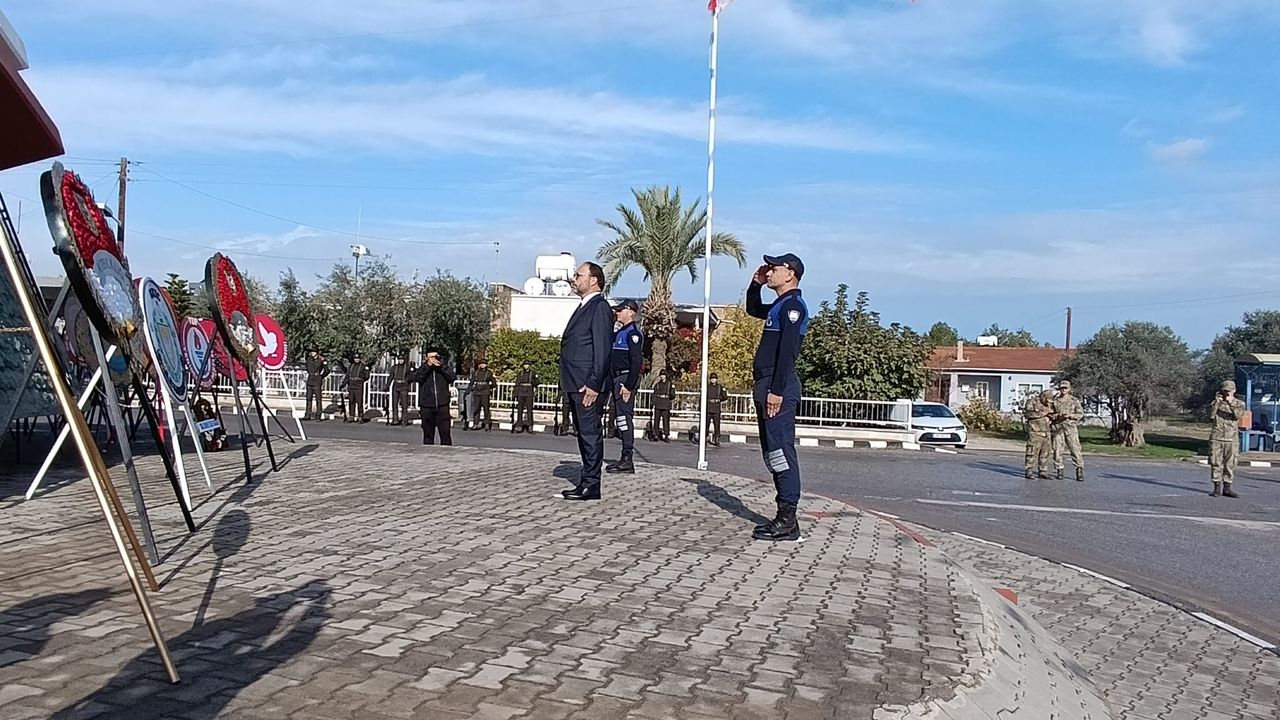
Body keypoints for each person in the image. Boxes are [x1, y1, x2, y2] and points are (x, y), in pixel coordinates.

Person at [746, 253, 810, 542]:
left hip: (777, 385)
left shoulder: (793, 306)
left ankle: (787, 519)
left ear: (790, 273)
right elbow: (752, 308)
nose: (769, 271)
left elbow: (787, 352)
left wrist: (777, 391)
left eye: (774, 268)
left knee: (781, 451)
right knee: (772, 452)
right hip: (767, 383)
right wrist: (755, 284)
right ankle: (784, 517)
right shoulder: (779, 305)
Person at [558, 262, 614, 501]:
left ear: (593, 280)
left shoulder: (599, 307)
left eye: (578, 275)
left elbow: (602, 350)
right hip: (575, 382)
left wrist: (593, 384)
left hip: (587, 386)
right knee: (582, 434)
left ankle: (591, 484)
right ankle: (586, 480)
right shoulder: (584, 306)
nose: (574, 279)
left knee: (590, 434)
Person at [606, 299, 645, 474]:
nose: (618, 313)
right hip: (616, 379)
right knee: (619, 418)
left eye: (621, 310)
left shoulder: (633, 334)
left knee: (624, 417)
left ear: (630, 312)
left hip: (624, 379)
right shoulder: (619, 332)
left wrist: (628, 386)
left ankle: (627, 459)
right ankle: (624, 457)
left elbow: (636, 362)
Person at [407, 348, 455, 445]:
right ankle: (428, 452)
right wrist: (427, 366)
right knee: (428, 434)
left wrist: (442, 366)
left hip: (442, 405)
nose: (433, 359)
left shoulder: (442, 368)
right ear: (426, 358)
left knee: (445, 433)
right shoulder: (423, 368)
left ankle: (447, 452)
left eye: (435, 356)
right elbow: (418, 378)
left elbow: (452, 378)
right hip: (427, 405)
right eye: (431, 357)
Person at [1208, 380, 1247, 498]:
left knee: (1230, 463)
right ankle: (1216, 487)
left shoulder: (1239, 403)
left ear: (1234, 391)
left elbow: (1238, 416)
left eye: (1229, 391)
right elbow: (1211, 416)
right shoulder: (1216, 402)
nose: (1226, 393)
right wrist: (1217, 403)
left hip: (1231, 437)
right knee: (1215, 461)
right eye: (1225, 391)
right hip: (1217, 436)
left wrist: (1230, 403)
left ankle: (1227, 487)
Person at [1051, 380, 1085, 481]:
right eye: (1062, 388)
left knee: (1075, 449)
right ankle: (1059, 470)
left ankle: (1079, 470)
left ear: (1069, 389)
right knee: (1057, 449)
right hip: (1058, 428)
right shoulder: (1055, 400)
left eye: (1065, 388)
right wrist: (1057, 415)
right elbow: (1050, 414)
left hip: (1070, 428)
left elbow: (1080, 414)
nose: (1063, 390)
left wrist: (1070, 415)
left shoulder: (1074, 400)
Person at [1023, 390, 1055, 479]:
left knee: (1045, 453)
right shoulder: (1032, 402)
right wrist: (1044, 413)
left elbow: (1051, 413)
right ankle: (1029, 470)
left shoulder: (1049, 404)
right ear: (1043, 397)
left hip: (1047, 431)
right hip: (1035, 432)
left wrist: (1053, 416)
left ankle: (1043, 471)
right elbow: (1028, 414)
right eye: (1047, 400)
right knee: (1032, 452)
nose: (1048, 402)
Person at [469, 359, 495, 431]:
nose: (482, 365)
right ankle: (475, 423)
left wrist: (489, 387)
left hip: (485, 393)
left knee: (486, 409)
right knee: (476, 408)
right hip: (477, 392)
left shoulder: (489, 373)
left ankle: (487, 424)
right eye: (481, 364)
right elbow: (472, 382)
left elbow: (494, 383)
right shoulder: (476, 372)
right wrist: (468, 390)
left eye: (484, 364)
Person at [303, 349, 329, 420]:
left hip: (317, 381)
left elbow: (327, 371)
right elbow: (307, 368)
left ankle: (318, 416)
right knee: (308, 399)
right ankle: (307, 415)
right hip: (310, 380)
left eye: (313, 352)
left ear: (317, 353)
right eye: (311, 352)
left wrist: (321, 376)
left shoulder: (321, 360)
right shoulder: (309, 359)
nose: (312, 353)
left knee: (318, 399)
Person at [513, 362, 539, 433]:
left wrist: (533, 381)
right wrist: (515, 393)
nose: (526, 366)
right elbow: (517, 383)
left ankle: (530, 425)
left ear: (529, 366)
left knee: (529, 410)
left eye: (527, 365)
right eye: (525, 365)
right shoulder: (520, 373)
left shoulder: (533, 373)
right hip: (521, 392)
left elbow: (537, 382)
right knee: (520, 410)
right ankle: (519, 425)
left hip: (529, 393)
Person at [344, 354, 370, 423]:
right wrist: (343, 384)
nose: (356, 360)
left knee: (359, 402)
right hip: (351, 385)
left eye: (358, 358)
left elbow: (367, 376)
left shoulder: (363, 366)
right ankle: (351, 416)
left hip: (358, 386)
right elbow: (347, 376)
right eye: (355, 358)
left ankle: (360, 417)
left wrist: (360, 380)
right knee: (351, 401)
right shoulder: (351, 366)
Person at [705, 372, 728, 447]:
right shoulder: (707, 387)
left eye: (714, 378)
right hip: (708, 407)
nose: (713, 380)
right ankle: (706, 437)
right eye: (712, 378)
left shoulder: (719, 387)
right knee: (706, 424)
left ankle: (717, 438)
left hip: (716, 408)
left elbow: (725, 396)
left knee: (717, 425)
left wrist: (718, 399)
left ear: (716, 379)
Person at [651, 370, 675, 442]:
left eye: (663, 375)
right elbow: (654, 394)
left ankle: (666, 435)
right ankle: (656, 435)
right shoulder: (657, 385)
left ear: (665, 376)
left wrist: (670, 397)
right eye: (661, 375)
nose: (662, 376)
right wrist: (653, 403)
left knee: (666, 421)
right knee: (656, 420)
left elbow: (673, 394)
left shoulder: (669, 384)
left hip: (666, 404)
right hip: (658, 403)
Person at [388, 353, 411, 426]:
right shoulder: (394, 367)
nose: (401, 361)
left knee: (404, 405)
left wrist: (407, 381)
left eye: (402, 359)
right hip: (396, 386)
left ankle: (404, 420)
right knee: (394, 404)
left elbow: (411, 377)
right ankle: (395, 420)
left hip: (404, 386)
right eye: (399, 359)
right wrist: (387, 385)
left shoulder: (407, 367)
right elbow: (391, 376)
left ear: (404, 360)